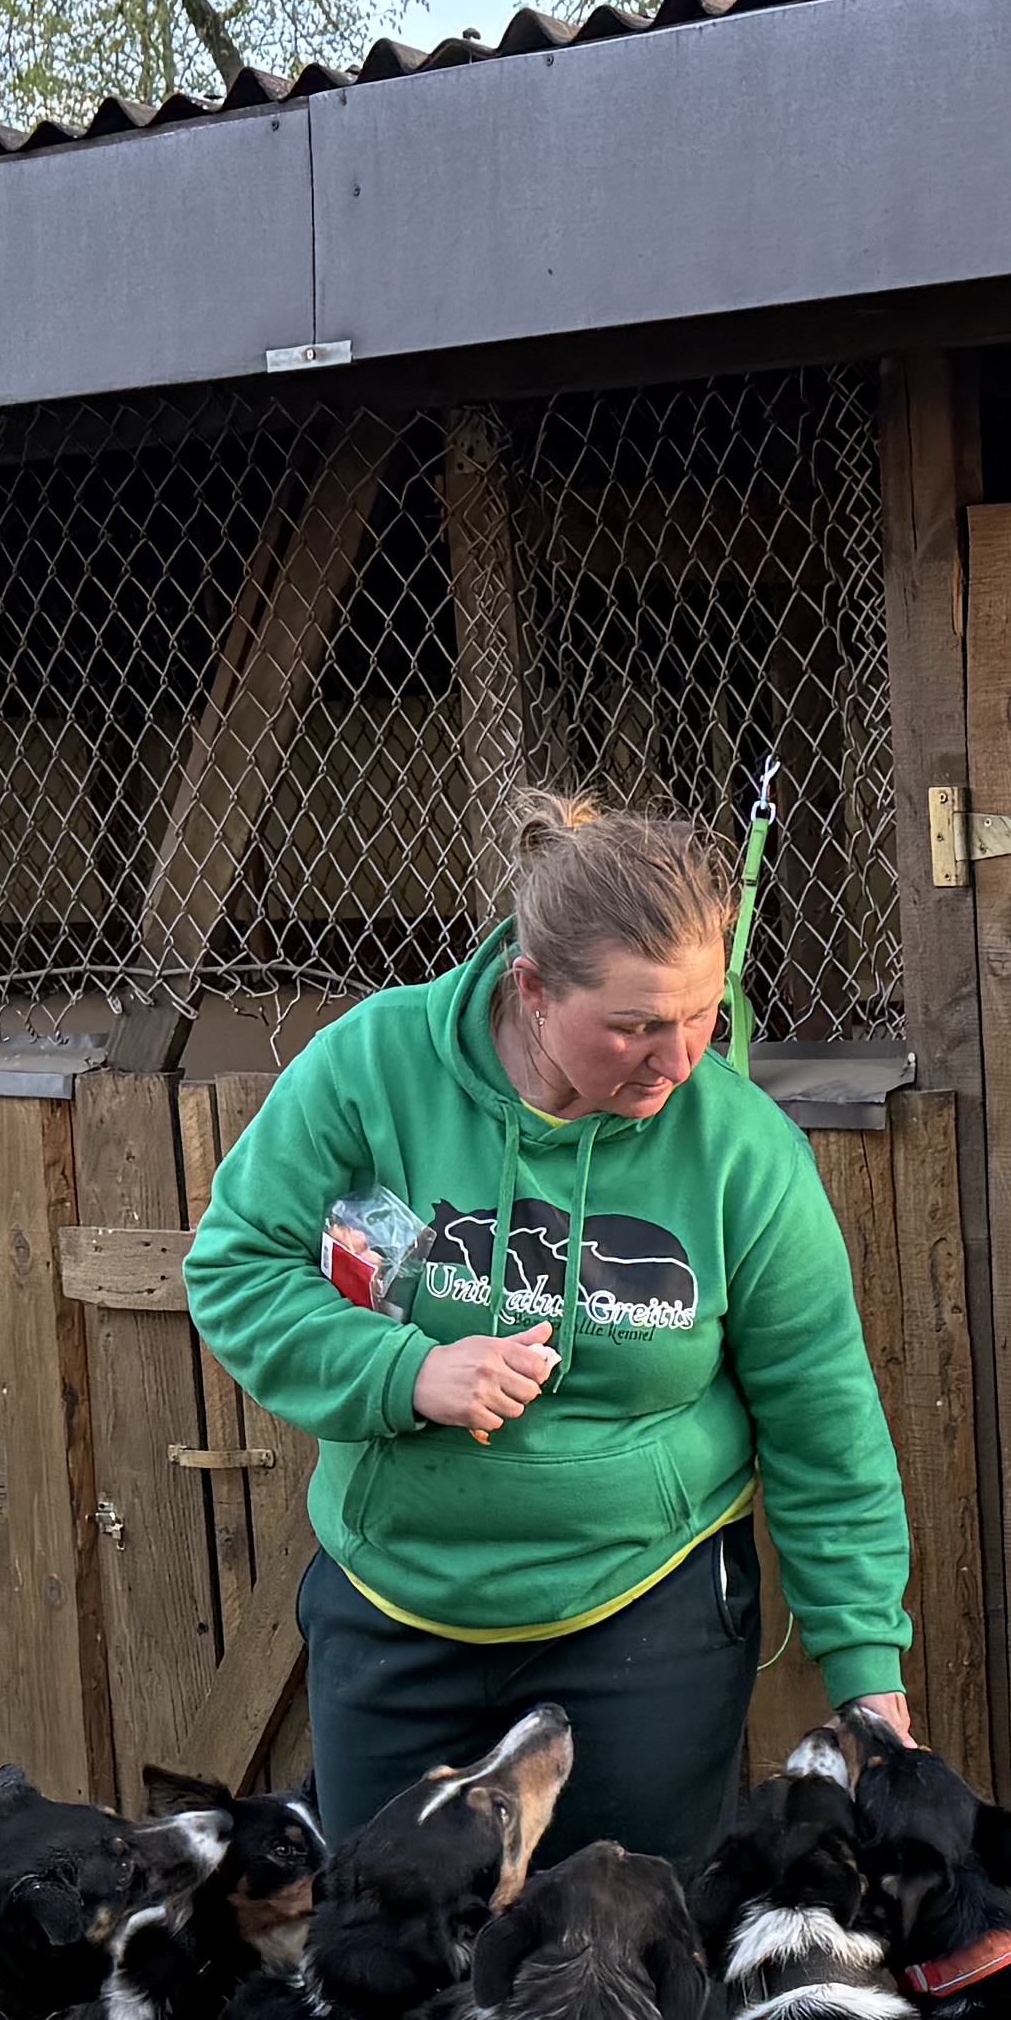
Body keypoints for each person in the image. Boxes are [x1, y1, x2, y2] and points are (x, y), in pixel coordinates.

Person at [181, 789, 915, 1868]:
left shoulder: (743, 1152)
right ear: (531, 990)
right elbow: (237, 1269)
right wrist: (407, 1371)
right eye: (634, 1025)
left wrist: (867, 1671)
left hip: (642, 1616)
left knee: (632, 1977)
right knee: (394, 1980)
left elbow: (822, 1416)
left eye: (704, 1013)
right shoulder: (370, 1069)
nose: (677, 1059)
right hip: (400, 1603)